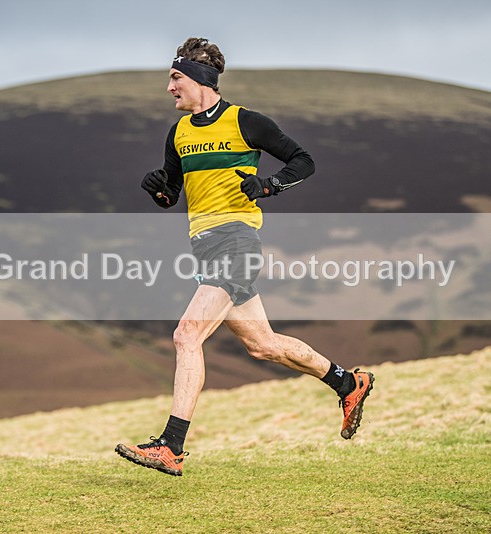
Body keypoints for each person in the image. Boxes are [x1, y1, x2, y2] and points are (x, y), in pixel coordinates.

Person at [115, 37, 374, 476]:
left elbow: (303, 161)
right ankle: (348, 382)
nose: (169, 88)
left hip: (236, 243)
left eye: (175, 78)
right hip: (205, 246)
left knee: (186, 335)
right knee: (263, 345)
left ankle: (171, 446)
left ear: (199, 79)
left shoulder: (246, 122)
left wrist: (269, 186)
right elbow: (171, 194)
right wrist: (158, 190)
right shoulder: (178, 133)